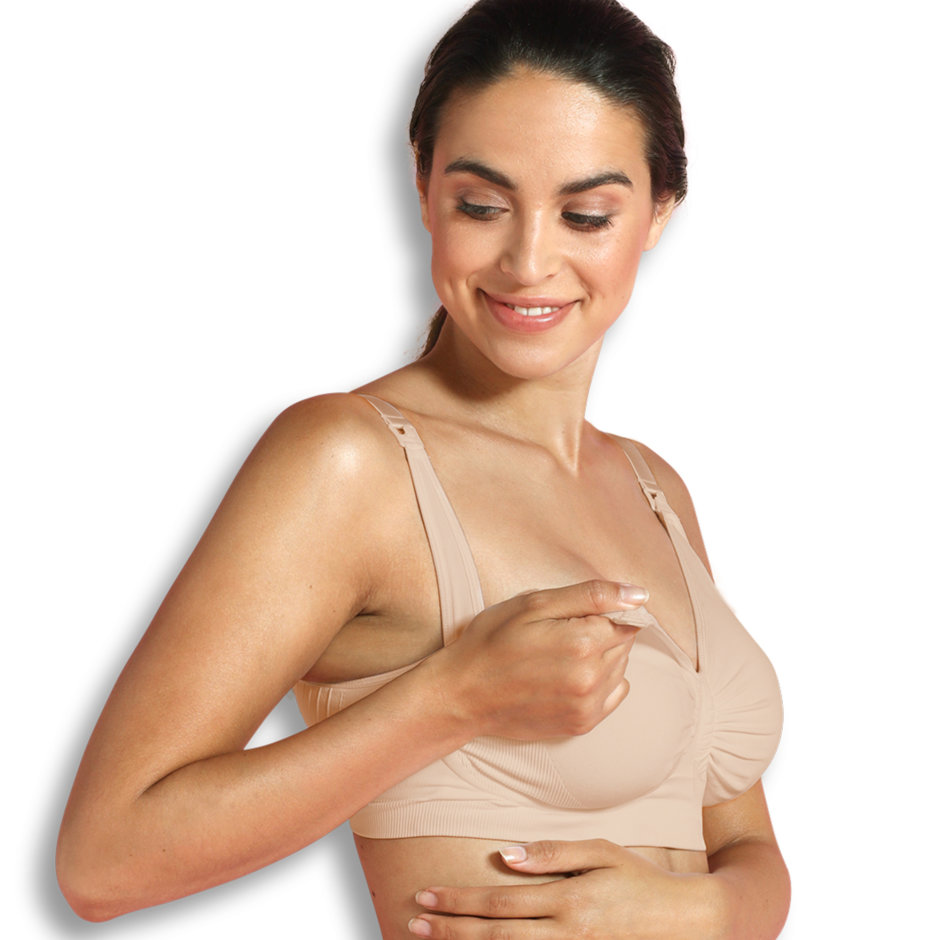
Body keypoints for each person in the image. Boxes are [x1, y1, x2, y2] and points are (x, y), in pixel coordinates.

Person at [56, 0, 789, 936]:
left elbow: (751, 855)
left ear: (657, 213)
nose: (529, 261)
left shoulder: (654, 487)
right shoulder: (350, 462)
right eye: (481, 206)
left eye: (586, 214)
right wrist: (455, 696)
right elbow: (104, 862)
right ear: (423, 186)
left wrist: (699, 911)